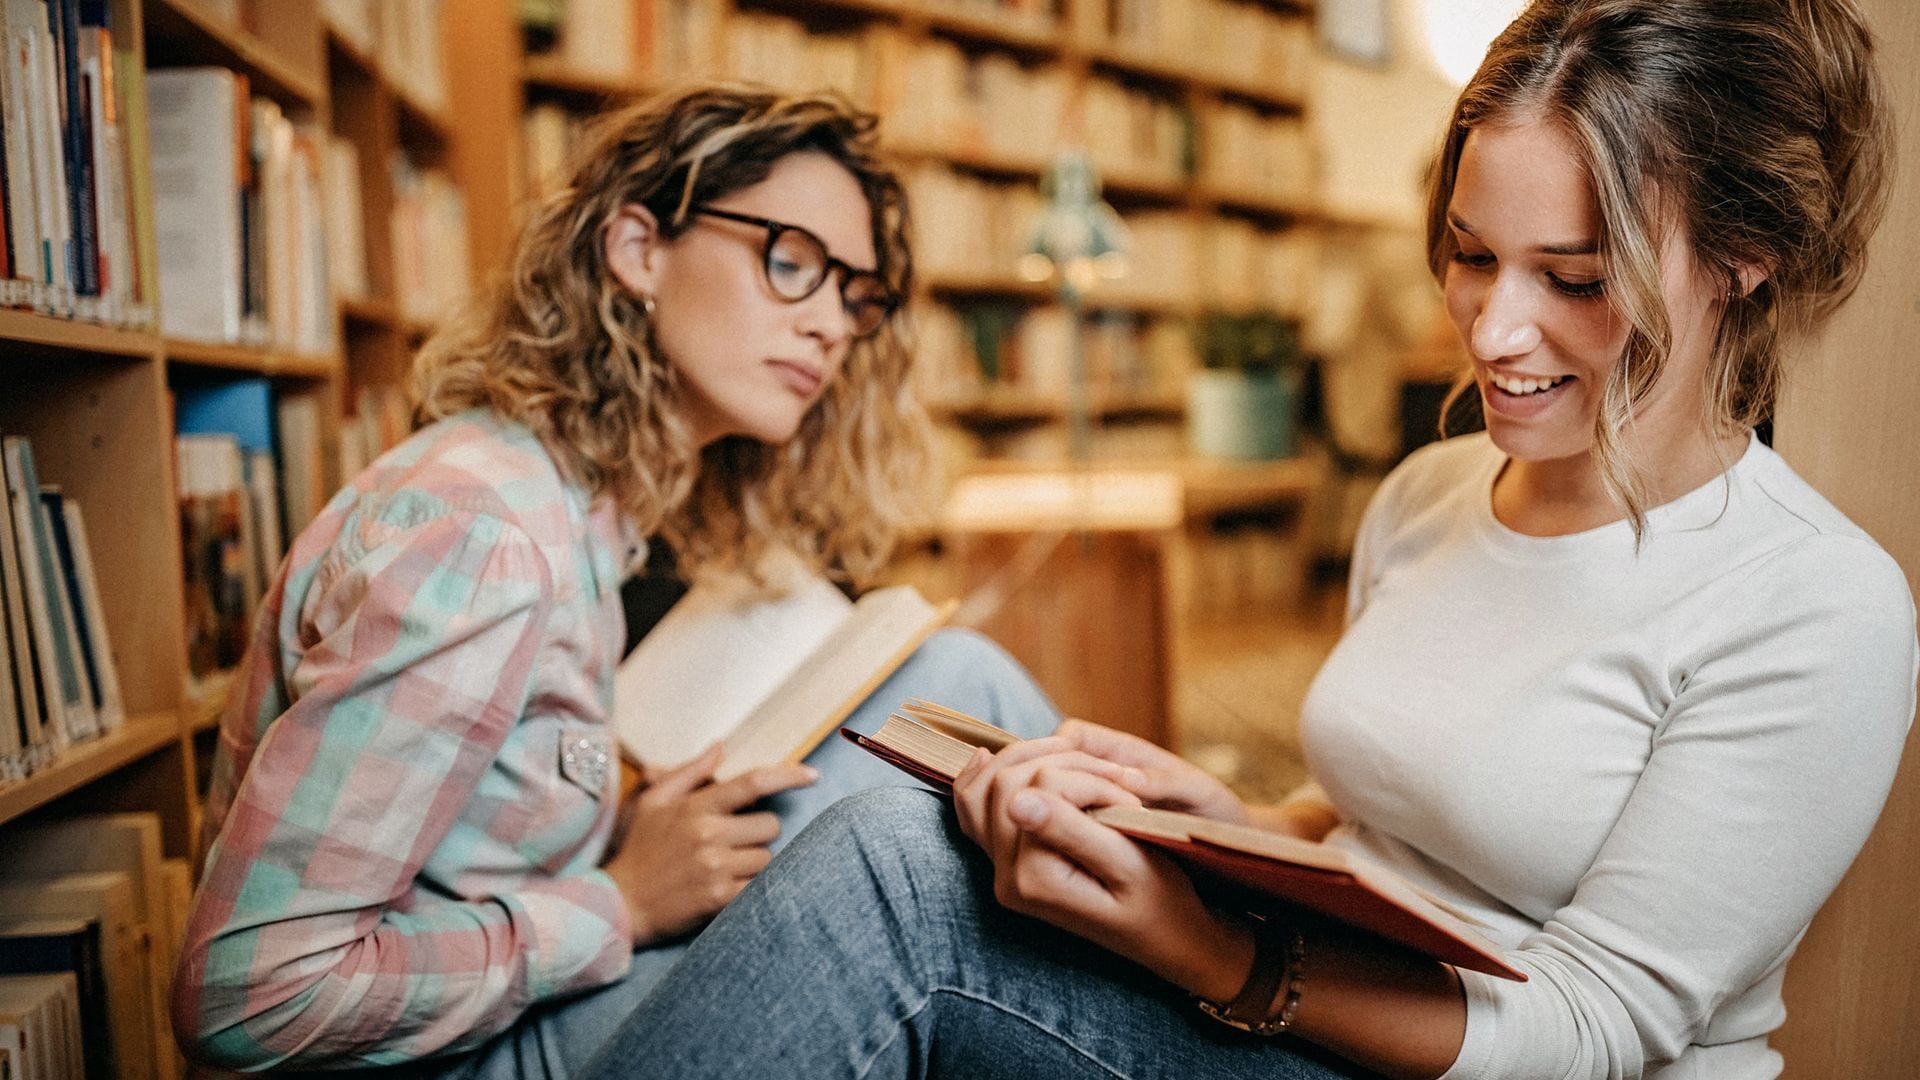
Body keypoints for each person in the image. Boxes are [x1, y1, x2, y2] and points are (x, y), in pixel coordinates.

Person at [580, 3, 1918, 1078]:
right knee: (931, 731)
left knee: (892, 875)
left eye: (1573, 279)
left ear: (1742, 257)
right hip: (1296, 984)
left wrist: (1210, 948)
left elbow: (1589, 1032)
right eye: (1468, 255)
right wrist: (1220, 824)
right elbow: (1388, 825)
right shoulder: (1434, 494)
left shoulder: (1815, 606)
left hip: (1463, 1056)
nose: (1494, 330)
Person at [168, 85, 1060, 1076]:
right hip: (482, 1059)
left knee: (951, 685)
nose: (831, 327)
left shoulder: (581, 509)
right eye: (791, 262)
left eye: (854, 294)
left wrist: (624, 832)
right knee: (918, 823)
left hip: (526, 1012)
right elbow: (248, 996)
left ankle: (1212, 947)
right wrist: (622, 899)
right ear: (639, 249)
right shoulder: (482, 536)